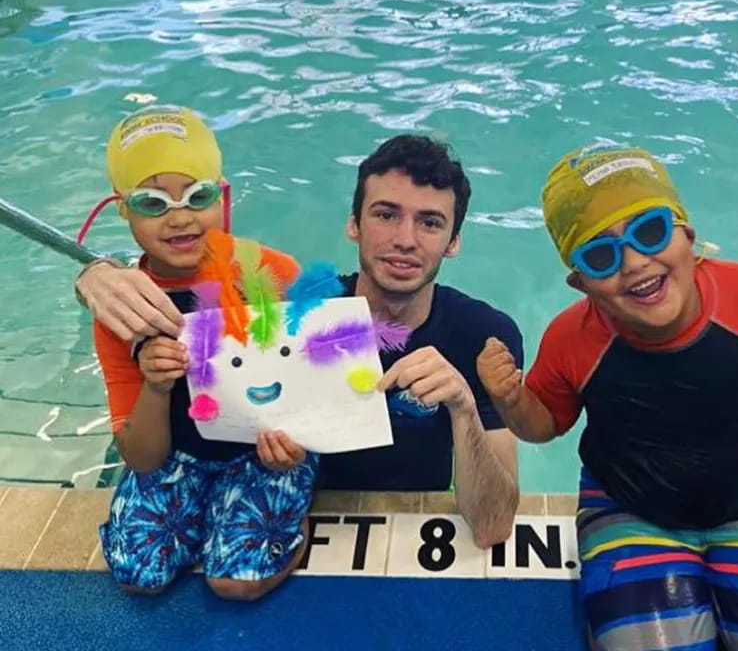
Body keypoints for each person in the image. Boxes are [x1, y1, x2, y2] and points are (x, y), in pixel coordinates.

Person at [477, 145, 738, 650]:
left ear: (688, 238)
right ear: (580, 282)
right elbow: (545, 423)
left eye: (650, 231)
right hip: (629, 507)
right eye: (600, 255)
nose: (633, 262)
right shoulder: (573, 339)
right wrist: (510, 399)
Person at [78, 134, 522, 549]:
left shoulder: (483, 337)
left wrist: (463, 408)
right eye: (386, 215)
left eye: (429, 222)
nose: (404, 240)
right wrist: (96, 273)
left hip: (407, 519)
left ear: (454, 242)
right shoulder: (291, 310)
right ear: (354, 225)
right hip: (289, 509)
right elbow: (189, 274)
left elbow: (492, 527)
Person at [93, 106, 315, 600]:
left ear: (223, 197)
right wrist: (156, 385)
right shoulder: (122, 307)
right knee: (138, 574)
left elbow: (317, 392)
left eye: (199, 196)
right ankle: (212, 511)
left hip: (264, 452)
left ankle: (286, 533)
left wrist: (296, 450)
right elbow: (142, 458)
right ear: (123, 209)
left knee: (235, 582)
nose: (179, 218)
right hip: (178, 456)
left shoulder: (273, 274)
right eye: (152, 203)